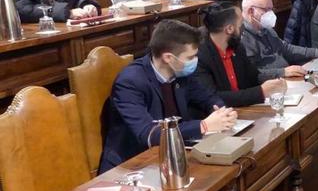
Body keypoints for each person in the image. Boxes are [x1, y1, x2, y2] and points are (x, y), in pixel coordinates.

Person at [99, 19, 238, 173]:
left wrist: (222, 113)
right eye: (190, 58)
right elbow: (148, 134)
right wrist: (203, 126)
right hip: (132, 166)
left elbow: (208, 97)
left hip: (172, 156)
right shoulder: (130, 82)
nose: (195, 62)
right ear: (168, 58)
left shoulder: (180, 73)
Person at [195, 2, 286, 109]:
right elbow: (213, 97)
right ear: (229, 29)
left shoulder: (236, 47)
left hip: (243, 111)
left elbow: (253, 76)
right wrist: (260, 92)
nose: (243, 27)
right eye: (241, 23)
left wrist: (275, 80)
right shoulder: (200, 55)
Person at [240, 0, 318, 80]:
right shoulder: (241, 38)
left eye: (272, 9)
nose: (271, 13)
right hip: (270, 86)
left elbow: (287, 49)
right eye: (267, 10)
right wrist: (283, 72)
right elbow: (251, 75)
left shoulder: (266, 29)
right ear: (251, 11)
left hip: (287, 79)